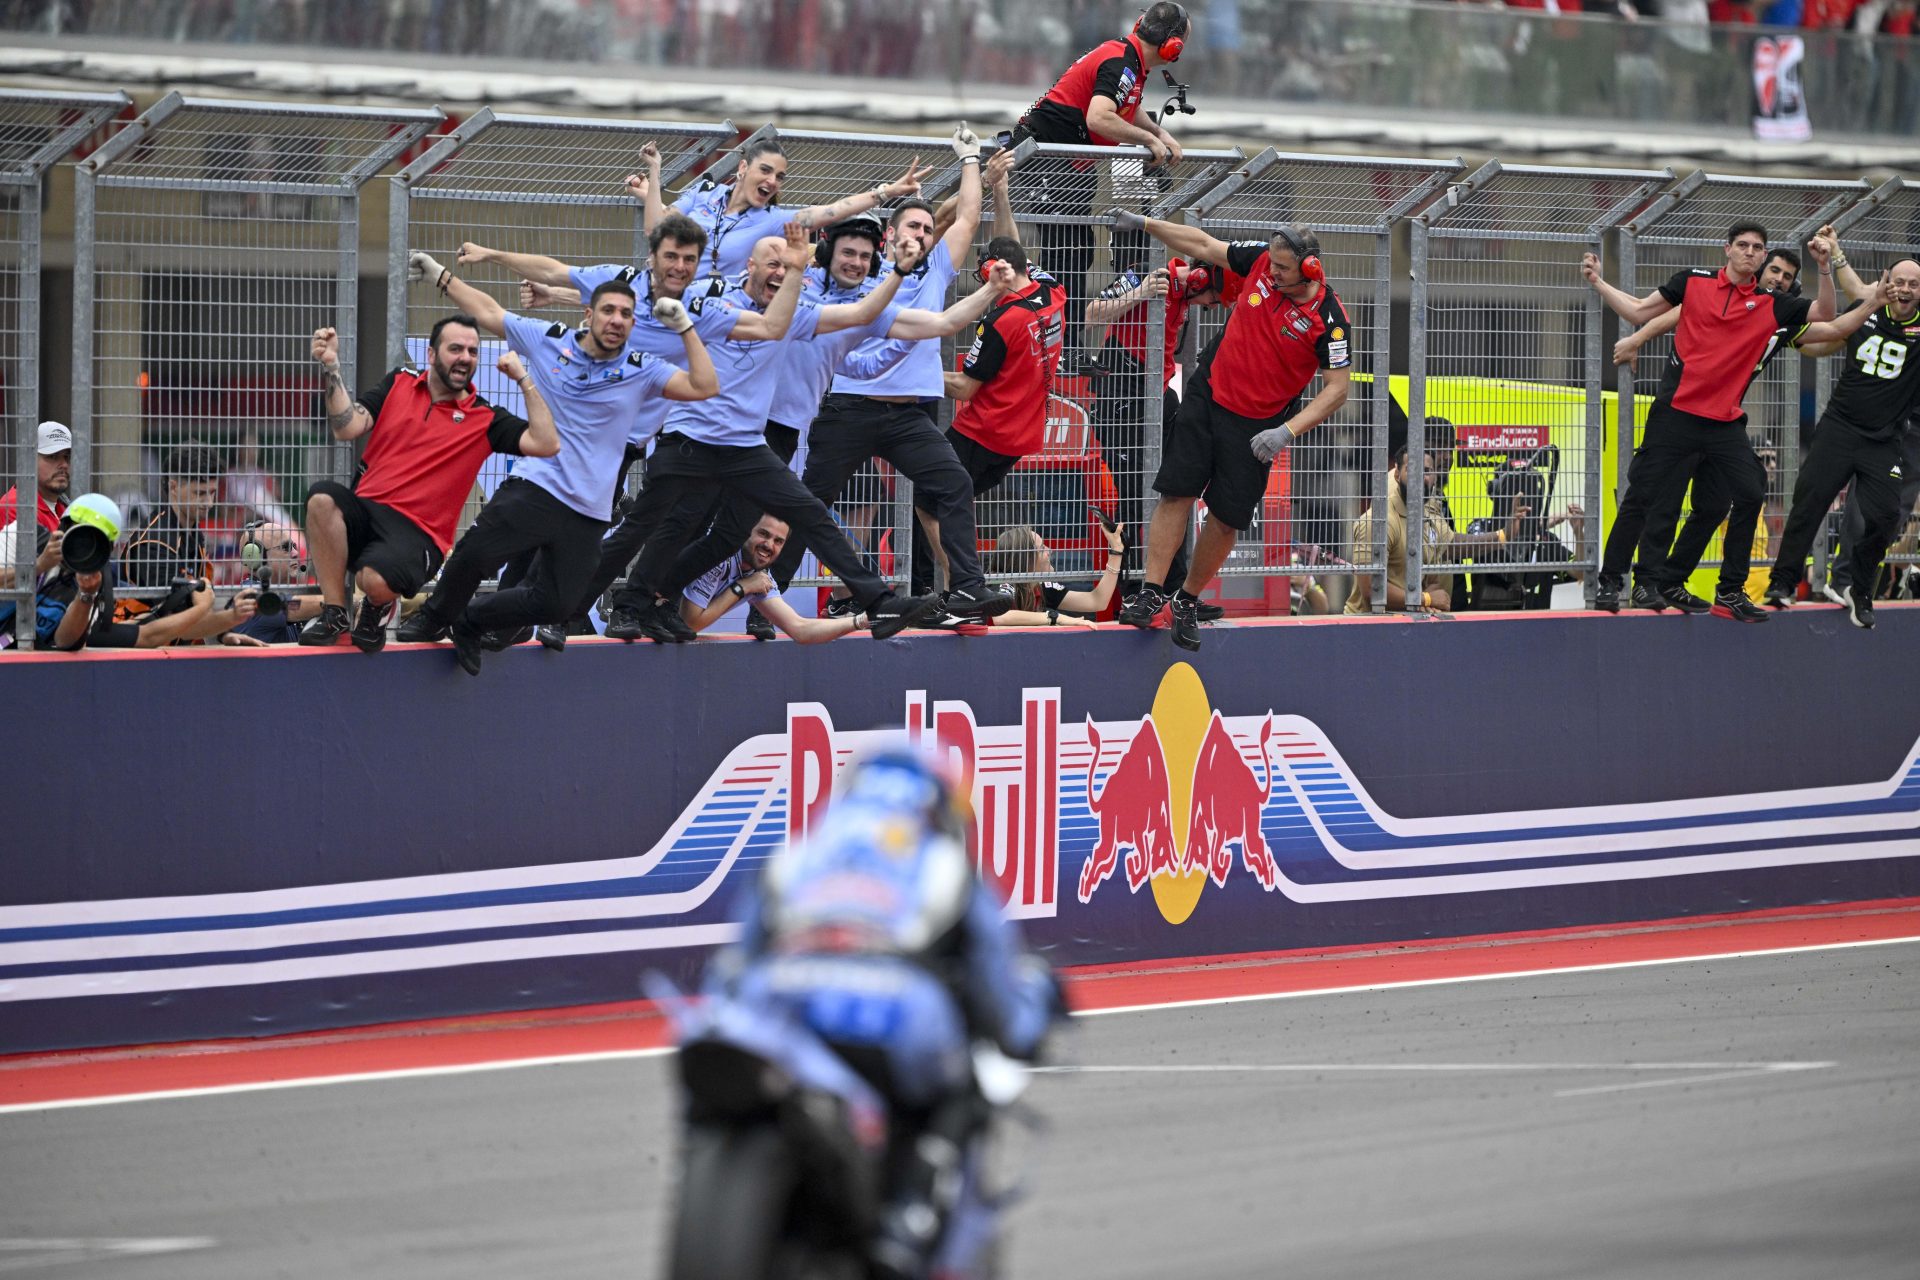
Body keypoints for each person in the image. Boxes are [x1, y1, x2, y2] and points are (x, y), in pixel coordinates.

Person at [710, 745, 1061, 1280]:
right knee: (967, 1086)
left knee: (726, 1073)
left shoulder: (798, 852)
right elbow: (1001, 997)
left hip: (778, 1004)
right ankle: (910, 1222)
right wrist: (1033, 1013)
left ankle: (711, 1163)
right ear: (937, 808)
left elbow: (734, 964)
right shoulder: (944, 864)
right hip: (894, 1011)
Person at [651, 202, 1018, 641]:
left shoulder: (881, 291)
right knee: (700, 515)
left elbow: (917, 330)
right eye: (909, 228)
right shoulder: (803, 289)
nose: (857, 262)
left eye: (865, 257)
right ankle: (637, 600)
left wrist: (985, 293)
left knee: (750, 526)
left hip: (859, 419)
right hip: (781, 419)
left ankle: (959, 590)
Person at [586, 227, 945, 644]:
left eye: (865, 257)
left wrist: (931, 304)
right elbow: (656, 299)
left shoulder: (822, 308)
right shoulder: (759, 297)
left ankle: (653, 599)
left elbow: (880, 327)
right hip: (712, 432)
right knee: (675, 521)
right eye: (848, 252)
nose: (856, 262)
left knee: (731, 533)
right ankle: (607, 603)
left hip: (766, 435)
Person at [459, 210, 797, 649]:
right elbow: (558, 270)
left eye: (688, 259)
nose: (679, 267)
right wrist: (493, 255)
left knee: (576, 538)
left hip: (624, 447)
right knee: (536, 533)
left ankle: (529, 619)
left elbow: (771, 326)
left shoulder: (695, 309)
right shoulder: (623, 281)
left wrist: (799, 267)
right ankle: (502, 620)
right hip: (575, 436)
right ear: (652, 257)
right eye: (670, 256)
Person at [395, 265, 717, 675]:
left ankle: (471, 620)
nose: (616, 320)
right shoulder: (551, 341)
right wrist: (442, 277)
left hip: (589, 508)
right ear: (588, 313)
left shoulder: (643, 368)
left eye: (625, 314)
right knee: (477, 553)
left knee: (558, 604)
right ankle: (433, 616)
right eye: (607, 310)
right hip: (539, 483)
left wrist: (686, 326)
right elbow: (490, 312)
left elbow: (705, 386)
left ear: (633, 324)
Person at [770, 133, 1011, 619]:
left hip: (908, 415)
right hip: (848, 409)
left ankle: (966, 587)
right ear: (889, 236)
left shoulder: (935, 269)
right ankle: (766, 600)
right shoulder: (864, 273)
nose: (921, 235)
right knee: (809, 502)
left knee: (954, 483)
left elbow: (966, 217)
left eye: (926, 229)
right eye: (912, 227)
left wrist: (969, 159)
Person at [1581, 223, 1869, 621]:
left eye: (1758, 248)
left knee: (1750, 494)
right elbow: (1637, 310)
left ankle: (1728, 591)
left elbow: (1827, 316)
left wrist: (1822, 268)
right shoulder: (1693, 283)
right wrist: (1599, 282)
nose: (1751, 253)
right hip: (1676, 414)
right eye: (1743, 246)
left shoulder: (1773, 304)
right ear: (1728, 250)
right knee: (1642, 497)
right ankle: (1611, 581)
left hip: (1724, 423)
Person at [1108, 212, 1353, 651]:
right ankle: (1150, 591)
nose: (1272, 271)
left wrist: (1286, 433)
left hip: (1257, 427)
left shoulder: (1330, 320)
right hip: (1209, 393)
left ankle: (1186, 601)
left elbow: (1337, 390)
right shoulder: (1260, 260)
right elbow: (1202, 244)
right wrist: (1146, 224)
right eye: (1272, 264)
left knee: (1225, 519)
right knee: (1176, 492)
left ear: (1310, 268)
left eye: (1282, 268)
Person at [298, 317, 558, 651]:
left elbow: (547, 443)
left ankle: (376, 606)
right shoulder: (399, 383)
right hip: (367, 510)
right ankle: (335, 612)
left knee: (373, 581)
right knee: (322, 499)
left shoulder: (486, 418)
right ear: (432, 355)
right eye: (455, 349)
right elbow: (346, 427)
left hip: (418, 534)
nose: (465, 357)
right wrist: (331, 365)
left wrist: (524, 379)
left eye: (472, 351)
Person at [1609, 244, 1815, 613]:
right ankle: (1646, 582)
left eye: (1787, 277)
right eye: (1775, 271)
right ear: (1758, 268)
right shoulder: (1726, 296)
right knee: (1665, 500)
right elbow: (1676, 313)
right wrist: (1637, 339)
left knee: (1716, 504)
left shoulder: (1782, 314)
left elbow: (1825, 334)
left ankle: (1673, 579)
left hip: (1724, 421)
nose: (1779, 280)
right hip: (1682, 411)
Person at [1010, 2, 1193, 337]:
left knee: (1078, 250)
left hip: (1071, 163)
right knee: (1063, 251)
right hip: (1048, 155)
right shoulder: (1121, 61)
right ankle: (1055, 342)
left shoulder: (1130, 63)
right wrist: (1148, 140)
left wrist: (1160, 133)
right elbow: (1099, 116)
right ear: (1173, 46)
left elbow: (1127, 106)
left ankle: (1069, 340)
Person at [1764, 255, 1920, 629]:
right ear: (1885, 281)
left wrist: (1836, 255)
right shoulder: (1865, 309)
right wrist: (1794, 340)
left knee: (1885, 516)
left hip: (1883, 441)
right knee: (1808, 500)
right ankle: (1782, 581)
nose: (1905, 289)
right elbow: (1827, 340)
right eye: (1899, 281)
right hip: (1840, 428)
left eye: (1913, 285)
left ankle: (1857, 587)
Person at [1083, 257, 1225, 603]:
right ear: (1200, 278)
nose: (1211, 305)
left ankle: (1173, 589)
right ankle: (1135, 591)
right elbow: (1090, 314)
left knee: (1176, 487)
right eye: (1213, 298)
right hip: (1122, 392)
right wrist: (1143, 291)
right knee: (1133, 492)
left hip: (1159, 391)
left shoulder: (1187, 296)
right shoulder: (1148, 274)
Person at [943, 151, 1067, 516]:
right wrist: (1001, 190)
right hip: (1021, 438)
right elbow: (1012, 248)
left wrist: (913, 372)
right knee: (952, 503)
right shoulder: (1053, 291)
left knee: (929, 498)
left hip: (982, 432)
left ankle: (930, 575)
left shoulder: (1001, 322)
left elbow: (965, 387)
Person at [631, 133, 931, 284]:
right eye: (765, 170)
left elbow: (833, 210)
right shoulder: (704, 193)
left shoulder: (774, 220)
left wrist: (885, 192)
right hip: (665, 295)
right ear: (743, 167)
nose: (772, 181)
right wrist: (655, 174)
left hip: (715, 315)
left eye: (779, 177)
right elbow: (656, 228)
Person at [1345, 445, 1530, 613]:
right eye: (1412, 470)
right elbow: (1372, 591)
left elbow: (1451, 545)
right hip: (1366, 627)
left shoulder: (1428, 513)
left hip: (1404, 623)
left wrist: (1505, 534)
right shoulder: (1377, 522)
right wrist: (1426, 599)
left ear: (1434, 477)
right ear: (1396, 474)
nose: (1421, 478)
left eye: (1427, 471)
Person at [120, 443, 262, 645]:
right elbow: (177, 627)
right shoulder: (153, 543)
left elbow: (197, 603)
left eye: (212, 493)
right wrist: (230, 617)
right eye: (200, 493)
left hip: (180, 653)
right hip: (147, 656)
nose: (209, 503)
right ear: (174, 486)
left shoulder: (193, 534)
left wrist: (224, 633)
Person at [30, 495, 211, 652]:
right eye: (77, 531)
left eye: (93, 540)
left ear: (106, 550)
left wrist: (86, 595)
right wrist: (39, 565)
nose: (82, 546)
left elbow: (65, 642)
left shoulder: (98, 585)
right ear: (61, 528)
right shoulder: (27, 541)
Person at [677, 514, 875, 643]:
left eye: (778, 541)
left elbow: (800, 629)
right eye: (763, 534)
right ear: (747, 531)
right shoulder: (721, 555)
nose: (769, 545)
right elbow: (689, 622)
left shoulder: (758, 575)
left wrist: (860, 621)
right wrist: (741, 587)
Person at [985, 519, 1126, 628]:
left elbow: (1097, 601)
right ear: (1025, 561)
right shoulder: (1002, 581)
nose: (1049, 550)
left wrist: (1116, 550)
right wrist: (1056, 617)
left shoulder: (1042, 586)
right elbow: (1001, 616)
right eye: (1042, 548)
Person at [228, 519, 324, 645]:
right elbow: (292, 606)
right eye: (286, 547)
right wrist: (346, 604)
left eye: (294, 547)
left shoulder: (279, 592)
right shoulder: (249, 596)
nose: (295, 553)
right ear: (255, 557)